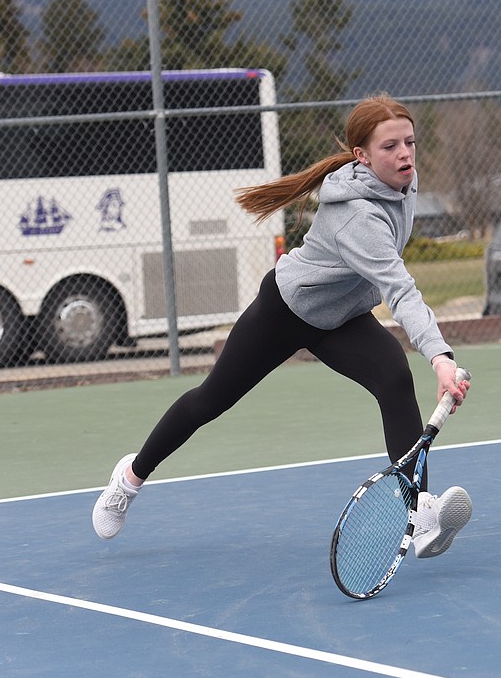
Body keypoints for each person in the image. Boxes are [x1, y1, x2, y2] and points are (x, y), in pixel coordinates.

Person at [92, 94, 472, 559]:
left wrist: (437, 356)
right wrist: (441, 356)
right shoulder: (357, 216)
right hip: (287, 311)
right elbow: (400, 289)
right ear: (362, 157)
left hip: (343, 316)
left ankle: (420, 514)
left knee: (394, 378)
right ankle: (129, 479)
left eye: (409, 142)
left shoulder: (402, 183)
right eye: (390, 146)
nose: (405, 154)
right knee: (210, 400)